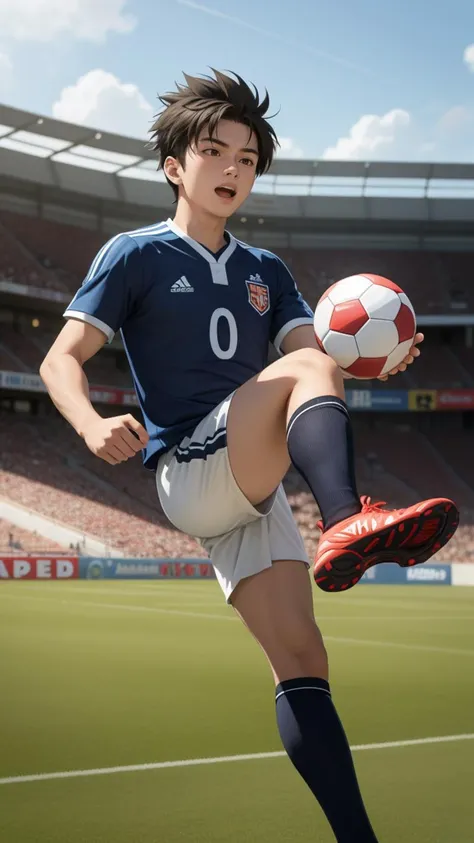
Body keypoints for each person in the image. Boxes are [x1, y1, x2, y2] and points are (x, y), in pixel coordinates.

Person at [40, 70, 459, 842]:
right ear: (175, 166)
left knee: (304, 659)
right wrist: (88, 424)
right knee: (306, 373)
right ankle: (345, 519)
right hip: (188, 469)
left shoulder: (267, 272)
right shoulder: (134, 254)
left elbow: (313, 357)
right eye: (214, 151)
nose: (233, 168)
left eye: (248, 158)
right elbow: (60, 360)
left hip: (248, 483)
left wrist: (376, 359)